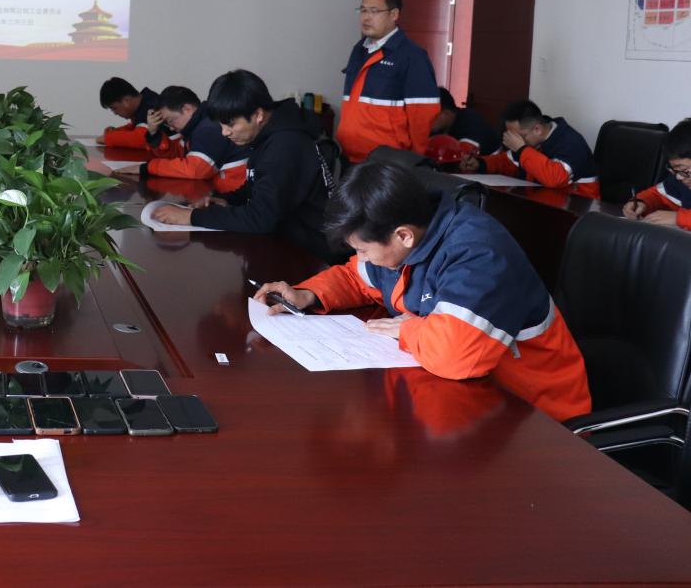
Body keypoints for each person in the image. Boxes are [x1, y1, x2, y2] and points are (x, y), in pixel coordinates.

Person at [255, 161, 591, 422]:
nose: (361, 258)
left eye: (363, 249)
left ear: (403, 235)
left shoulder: (478, 253)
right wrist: (307, 294)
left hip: (536, 417)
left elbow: (456, 355)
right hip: (472, 400)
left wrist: (408, 329)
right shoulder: (404, 238)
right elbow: (357, 277)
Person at [150, 70, 332, 259]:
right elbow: (256, 185)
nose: (225, 133)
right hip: (285, 238)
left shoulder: (284, 145)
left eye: (230, 124)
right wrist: (225, 199)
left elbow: (261, 218)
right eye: (221, 125)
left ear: (258, 114)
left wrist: (190, 217)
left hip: (308, 253)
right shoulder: (268, 133)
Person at [336, 0, 441, 163]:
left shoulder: (412, 56)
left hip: (386, 163)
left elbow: (423, 115)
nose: (366, 18)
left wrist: (414, 162)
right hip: (351, 158)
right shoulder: (359, 50)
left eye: (374, 11)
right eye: (363, 11)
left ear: (394, 14)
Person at [113, 85, 247, 193]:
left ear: (187, 109)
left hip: (235, 197)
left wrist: (147, 168)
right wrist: (154, 133)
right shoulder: (195, 127)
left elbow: (195, 170)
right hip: (221, 193)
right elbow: (177, 155)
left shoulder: (208, 126)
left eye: (171, 121)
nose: (171, 128)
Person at [460, 99, 600, 199]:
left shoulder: (571, 142)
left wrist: (522, 149)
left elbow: (555, 178)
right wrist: (480, 163)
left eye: (518, 137)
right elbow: (508, 162)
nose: (514, 142)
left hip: (577, 210)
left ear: (537, 129)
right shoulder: (532, 142)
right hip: (542, 202)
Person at [624, 117, 691, 231]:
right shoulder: (682, 179)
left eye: (684, 170)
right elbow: (659, 194)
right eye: (675, 171)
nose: (679, 177)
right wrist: (642, 202)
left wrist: (679, 218)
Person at [97, 77, 163, 150]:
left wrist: (107, 138)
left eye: (114, 108)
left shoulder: (150, 107)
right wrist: (115, 131)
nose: (115, 113)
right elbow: (136, 128)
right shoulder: (145, 101)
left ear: (126, 100)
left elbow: (141, 139)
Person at [431, 87, 501, 155]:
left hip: (492, 162)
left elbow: (462, 158)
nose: (427, 120)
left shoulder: (470, 126)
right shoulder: (445, 124)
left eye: (431, 116)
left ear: (446, 113)